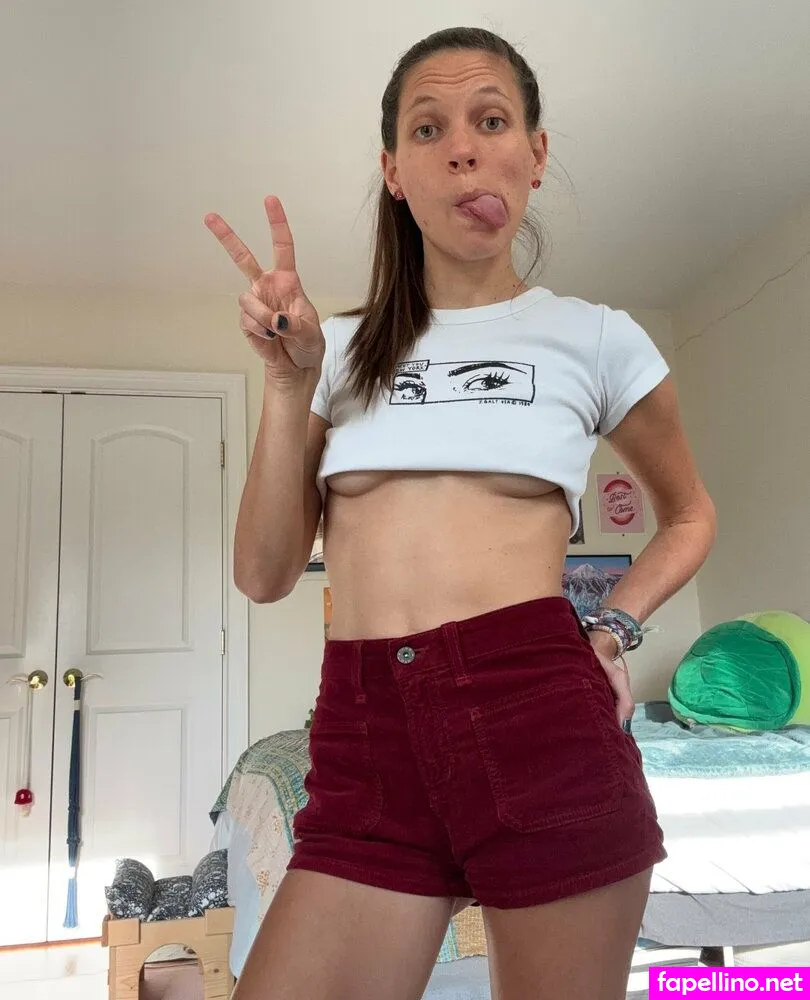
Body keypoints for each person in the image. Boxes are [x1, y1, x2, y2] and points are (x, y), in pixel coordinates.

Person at [204, 25, 716, 1000]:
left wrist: (611, 629)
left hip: (538, 709)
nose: (464, 150)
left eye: (491, 120)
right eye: (429, 128)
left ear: (536, 153)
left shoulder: (599, 340)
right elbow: (264, 575)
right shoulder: (333, 349)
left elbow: (689, 516)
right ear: (394, 172)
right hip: (364, 732)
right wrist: (287, 383)